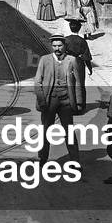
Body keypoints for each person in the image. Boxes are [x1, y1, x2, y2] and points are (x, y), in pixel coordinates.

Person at [33, 35, 85, 169]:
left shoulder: (71, 60)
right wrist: (42, 100)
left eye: (60, 46)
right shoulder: (44, 60)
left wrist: (78, 102)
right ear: (52, 47)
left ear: (65, 46)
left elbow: (78, 82)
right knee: (45, 131)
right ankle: (42, 158)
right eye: (54, 46)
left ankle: (74, 161)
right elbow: (37, 82)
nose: (57, 48)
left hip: (66, 101)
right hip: (49, 101)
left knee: (69, 131)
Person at [63, 18, 94, 83]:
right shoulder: (82, 41)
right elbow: (86, 57)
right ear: (79, 28)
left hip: (67, 64)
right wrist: (90, 68)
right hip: (79, 64)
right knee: (80, 84)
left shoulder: (65, 40)